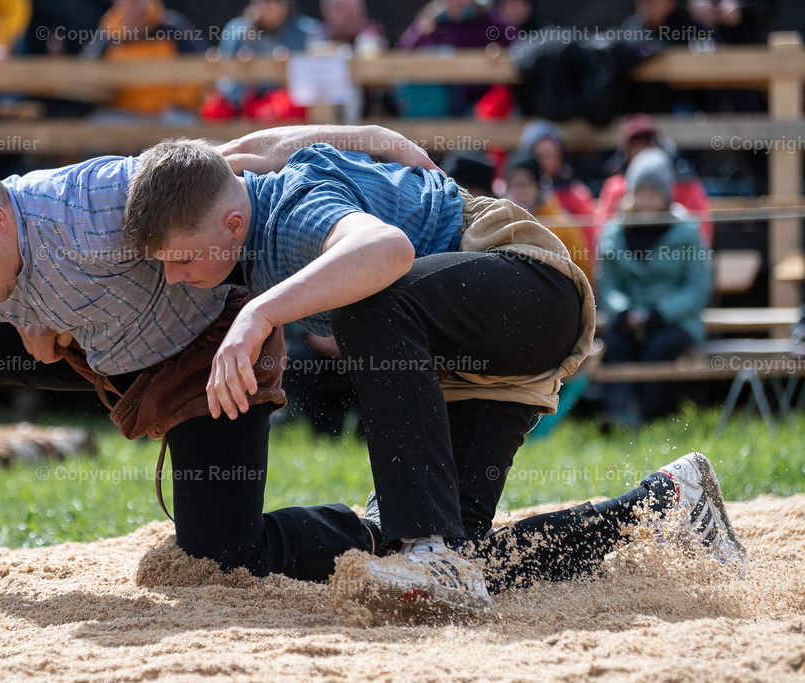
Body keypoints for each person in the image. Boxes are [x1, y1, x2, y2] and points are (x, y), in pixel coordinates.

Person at [123, 139, 743, 615]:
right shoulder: (241, 182)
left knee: (371, 298)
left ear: (232, 225)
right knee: (461, 565)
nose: (174, 277)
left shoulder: (291, 212)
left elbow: (386, 251)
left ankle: (428, 547)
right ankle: (666, 505)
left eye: (180, 260)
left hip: (528, 285)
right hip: (464, 357)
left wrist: (258, 313)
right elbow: (269, 143)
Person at [0, 124, 439, 589]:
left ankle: (370, 528)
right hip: (97, 349)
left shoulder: (94, 200)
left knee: (221, 561)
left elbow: (231, 158)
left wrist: (375, 139)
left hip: (203, 353)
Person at [596, 148, 712, 429]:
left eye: (653, 193)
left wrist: (660, 313)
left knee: (657, 348)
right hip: (629, 318)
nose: (645, 201)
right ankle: (617, 413)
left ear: (666, 195)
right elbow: (608, 284)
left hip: (675, 319)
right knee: (615, 345)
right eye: (640, 192)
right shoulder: (613, 233)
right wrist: (623, 311)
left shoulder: (687, 232)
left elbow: (697, 289)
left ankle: (649, 418)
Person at [595, 114, 714, 247]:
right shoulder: (615, 188)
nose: (641, 155)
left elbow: (701, 237)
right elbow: (603, 239)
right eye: (634, 148)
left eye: (645, 146)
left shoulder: (684, 184)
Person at [81, 0, 207, 121]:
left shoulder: (171, 26)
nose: (134, 3)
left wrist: (178, 103)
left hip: (168, 112)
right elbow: (89, 69)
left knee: (180, 123)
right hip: (126, 113)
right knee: (96, 123)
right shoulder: (109, 32)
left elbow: (198, 67)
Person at [202, 0, 321, 121]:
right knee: (215, 110)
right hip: (242, 105)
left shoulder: (308, 32)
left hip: (282, 106)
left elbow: (317, 78)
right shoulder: (236, 31)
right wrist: (245, 72)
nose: (268, 6)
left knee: (288, 108)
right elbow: (224, 83)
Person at [395, 0, 511, 117]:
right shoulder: (430, 20)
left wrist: (497, 52)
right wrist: (420, 33)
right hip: (440, 104)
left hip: (479, 102)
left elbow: (516, 45)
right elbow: (403, 53)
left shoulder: (487, 19)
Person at [502, 154, 593, 286]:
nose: (521, 190)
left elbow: (583, 275)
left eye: (527, 183)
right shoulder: (501, 223)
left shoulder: (562, 224)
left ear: (539, 187)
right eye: (515, 184)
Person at [517, 119, 596, 248]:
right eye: (538, 155)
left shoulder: (577, 196)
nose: (544, 162)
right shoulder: (511, 193)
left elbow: (588, 244)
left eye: (550, 155)